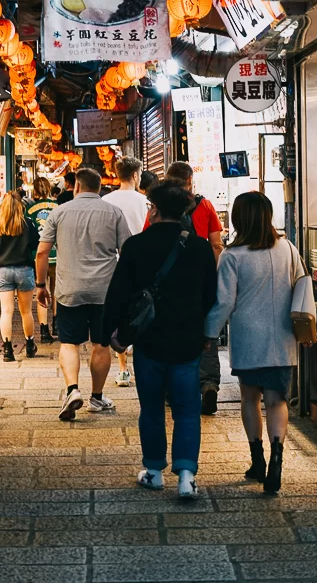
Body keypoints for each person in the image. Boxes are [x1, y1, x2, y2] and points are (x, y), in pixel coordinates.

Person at [103, 181, 218, 498]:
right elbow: (211, 295)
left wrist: (110, 332)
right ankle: (186, 476)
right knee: (186, 409)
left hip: (149, 340)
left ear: (154, 210)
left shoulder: (136, 246)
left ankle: (153, 471)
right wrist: (206, 332)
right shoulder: (198, 247)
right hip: (188, 340)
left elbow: (119, 293)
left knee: (151, 407)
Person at [205, 192, 307, 495]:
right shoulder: (287, 248)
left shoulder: (233, 255)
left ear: (239, 218)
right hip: (282, 337)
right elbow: (301, 283)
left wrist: (208, 333)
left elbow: (224, 302)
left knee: (250, 399)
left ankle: (257, 461)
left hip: (249, 338)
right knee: (277, 401)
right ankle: (277, 459)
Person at [36, 168, 131, 420]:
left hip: (69, 290)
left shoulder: (59, 213)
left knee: (69, 343)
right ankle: (97, 398)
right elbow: (128, 251)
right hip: (104, 291)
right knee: (101, 345)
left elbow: (42, 252)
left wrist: (40, 285)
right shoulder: (114, 213)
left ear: (76, 187)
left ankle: (72, 390)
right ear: (99, 188)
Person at [144, 161, 224, 415]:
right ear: (190, 182)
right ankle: (208, 384)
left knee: (168, 331)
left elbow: (148, 241)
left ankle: (171, 390)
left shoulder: (157, 209)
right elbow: (216, 244)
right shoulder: (205, 205)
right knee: (206, 332)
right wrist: (213, 276)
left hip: (165, 283)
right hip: (198, 279)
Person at [103, 156, 148, 387]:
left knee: (120, 312)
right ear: (134, 175)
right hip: (142, 263)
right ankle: (142, 362)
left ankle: (122, 368)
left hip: (115, 262)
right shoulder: (145, 202)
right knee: (141, 310)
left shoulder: (106, 200)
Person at [0, 192, 40, 362]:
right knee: (26, 312)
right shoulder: (27, 223)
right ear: (20, 206)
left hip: (3, 270)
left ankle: (7, 350)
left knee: (6, 311)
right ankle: (30, 344)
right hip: (24, 269)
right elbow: (35, 243)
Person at [25, 177, 57, 343]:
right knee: (55, 288)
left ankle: (44, 330)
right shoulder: (58, 207)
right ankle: (56, 322)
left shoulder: (30, 210)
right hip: (56, 253)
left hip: (39, 255)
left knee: (41, 289)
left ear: (35, 190)